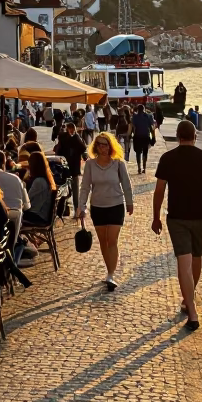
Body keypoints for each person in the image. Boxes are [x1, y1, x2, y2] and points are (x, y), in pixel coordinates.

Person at [152, 120, 202, 330]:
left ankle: (190, 306)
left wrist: (156, 217)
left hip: (178, 217)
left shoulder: (167, 158)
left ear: (178, 135)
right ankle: (189, 305)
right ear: (195, 135)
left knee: (184, 264)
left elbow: (159, 191)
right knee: (197, 257)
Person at [77, 132, 133, 291]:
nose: (103, 148)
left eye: (105, 144)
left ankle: (111, 274)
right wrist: (82, 206)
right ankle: (109, 271)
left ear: (111, 146)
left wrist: (129, 203)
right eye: (100, 144)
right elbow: (85, 187)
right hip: (98, 207)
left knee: (112, 240)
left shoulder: (118, 164)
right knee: (103, 242)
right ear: (96, 147)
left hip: (116, 205)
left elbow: (126, 185)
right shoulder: (90, 165)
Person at [54, 121, 87, 212]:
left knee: (70, 190)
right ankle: (72, 210)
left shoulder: (70, 138)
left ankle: (72, 209)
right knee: (70, 190)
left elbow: (83, 149)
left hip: (68, 168)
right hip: (69, 168)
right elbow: (83, 150)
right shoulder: (71, 138)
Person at [21, 151, 57, 225]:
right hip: (41, 214)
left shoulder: (39, 181)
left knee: (12, 216)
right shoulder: (45, 179)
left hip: (38, 216)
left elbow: (27, 200)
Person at [131, 106, 154, 174]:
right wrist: (153, 137)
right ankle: (144, 168)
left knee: (138, 153)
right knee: (145, 153)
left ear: (137, 110)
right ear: (144, 109)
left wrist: (130, 135)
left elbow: (133, 127)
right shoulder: (149, 116)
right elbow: (151, 127)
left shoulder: (134, 117)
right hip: (145, 136)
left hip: (137, 136)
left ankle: (139, 168)